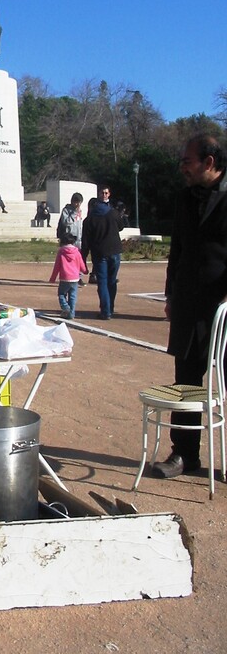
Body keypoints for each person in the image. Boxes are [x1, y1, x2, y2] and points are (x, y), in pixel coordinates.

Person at [153, 134, 227, 479]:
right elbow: (177, 250)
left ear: (209, 163)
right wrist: (171, 295)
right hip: (188, 303)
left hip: (223, 305)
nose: (182, 167)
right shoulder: (185, 198)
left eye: (187, 162)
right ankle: (184, 454)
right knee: (186, 382)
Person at [81, 187, 125, 320]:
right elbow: (121, 226)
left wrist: (82, 257)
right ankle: (110, 308)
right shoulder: (113, 213)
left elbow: (86, 242)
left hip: (100, 253)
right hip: (115, 250)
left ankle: (106, 311)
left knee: (103, 282)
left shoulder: (89, 220)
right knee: (112, 281)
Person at [49, 233, 88, 319]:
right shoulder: (77, 252)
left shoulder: (61, 252)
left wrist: (52, 278)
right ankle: (71, 314)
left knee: (61, 294)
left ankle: (65, 307)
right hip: (75, 278)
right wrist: (85, 271)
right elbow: (81, 264)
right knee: (73, 296)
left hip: (64, 277)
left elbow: (57, 266)